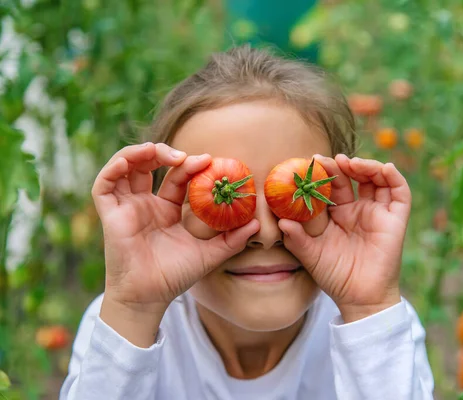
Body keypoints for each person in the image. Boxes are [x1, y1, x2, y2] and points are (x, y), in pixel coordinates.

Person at [59, 45, 434, 400]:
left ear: (339, 199)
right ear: (165, 213)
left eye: (298, 195)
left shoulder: (377, 330)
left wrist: (368, 308)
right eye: (222, 197)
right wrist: (135, 309)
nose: (267, 235)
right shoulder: (120, 328)